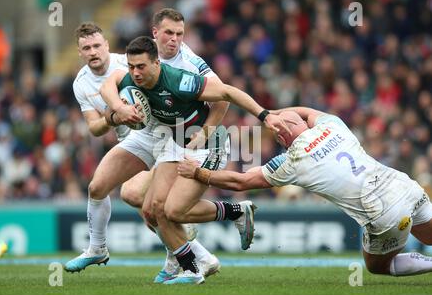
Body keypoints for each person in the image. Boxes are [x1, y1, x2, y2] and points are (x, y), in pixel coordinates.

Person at [100, 36, 287, 284]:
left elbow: (226, 92)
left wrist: (265, 116)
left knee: (173, 211)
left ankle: (234, 214)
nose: (135, 73)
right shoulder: (132, 81)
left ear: (156, 63)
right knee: (151, 211)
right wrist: (117, 111)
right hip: (176, 143)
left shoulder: (179, 81)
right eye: (131, 66)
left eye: (141, 66)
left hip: (208, 144)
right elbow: (107, 89)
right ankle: (192, 268)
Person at [178, 107, 432, 277]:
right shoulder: (333, 125)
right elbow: (308, 111)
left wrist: (199, 173)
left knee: (377, 266)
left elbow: (241, 182)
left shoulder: (293, 160)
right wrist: (275, 114)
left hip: (384, 211)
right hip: (405, 186)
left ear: (281, 139)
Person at [65, 18, 222, 282]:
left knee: (144, 201)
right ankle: (98, 247)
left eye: (96, 46)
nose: (93, 52)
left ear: (107, 45)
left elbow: (171, 75)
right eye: (86, 48)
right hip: (135, 141)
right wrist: (115, 116)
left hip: (163, 136)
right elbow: (95, 128)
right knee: (99, 188)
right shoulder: (80, 83)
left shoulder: (127, 63)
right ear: (79, 52)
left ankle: (193, 257)